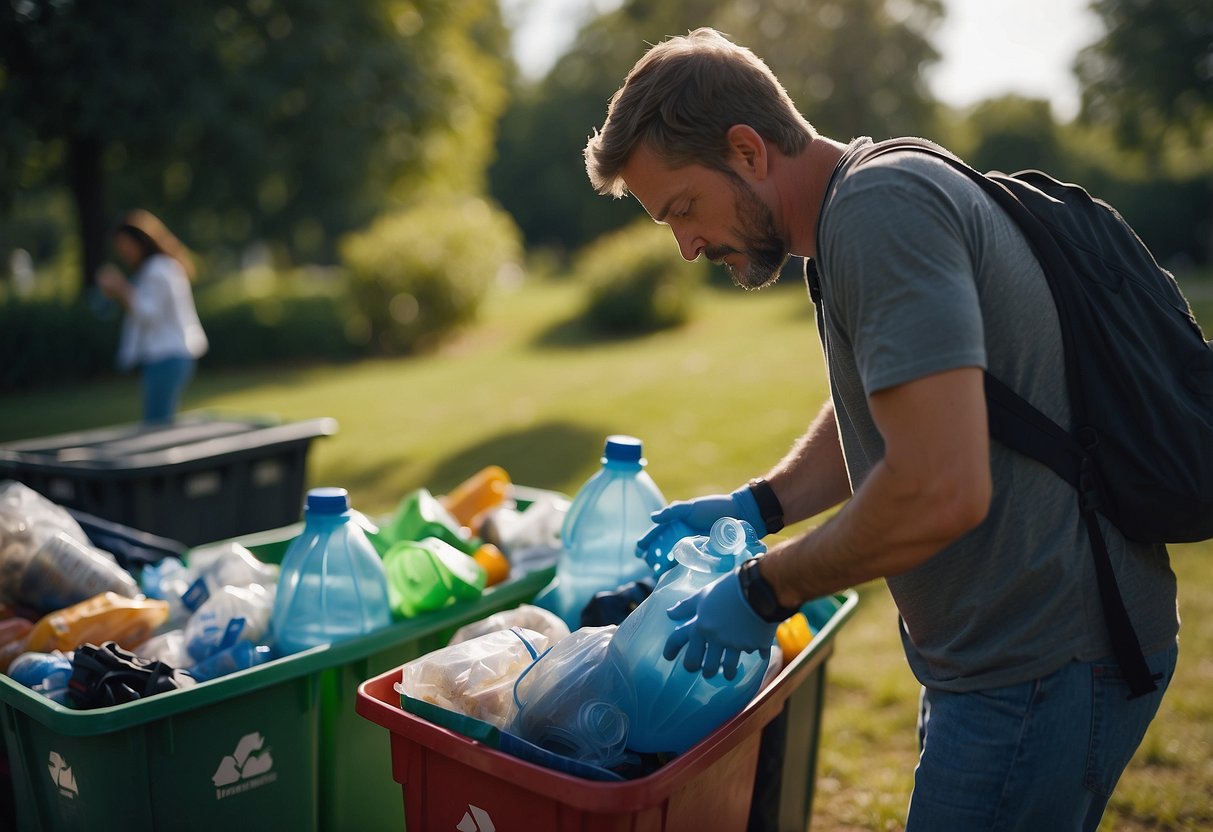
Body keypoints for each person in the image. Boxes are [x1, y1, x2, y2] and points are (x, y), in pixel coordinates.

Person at [584, 27, 1178, 831]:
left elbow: (938, 487)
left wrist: (765, 590)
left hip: (1045, 659)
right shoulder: (857, 207)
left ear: (747, 150)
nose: (687, 246)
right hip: (1007, 658)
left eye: (683, 208)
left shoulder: (877, 212)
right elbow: (891, 400)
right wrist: (758, 507)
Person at [96, 210, 209, 424]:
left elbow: (149, 315)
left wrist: (121, 289)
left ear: (140, 241)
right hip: (170, 355)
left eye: (125, 243)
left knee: (157, 425)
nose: (122, 251)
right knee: (160, 421)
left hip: (166, 356)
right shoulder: (160, 267)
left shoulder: (157, 270)